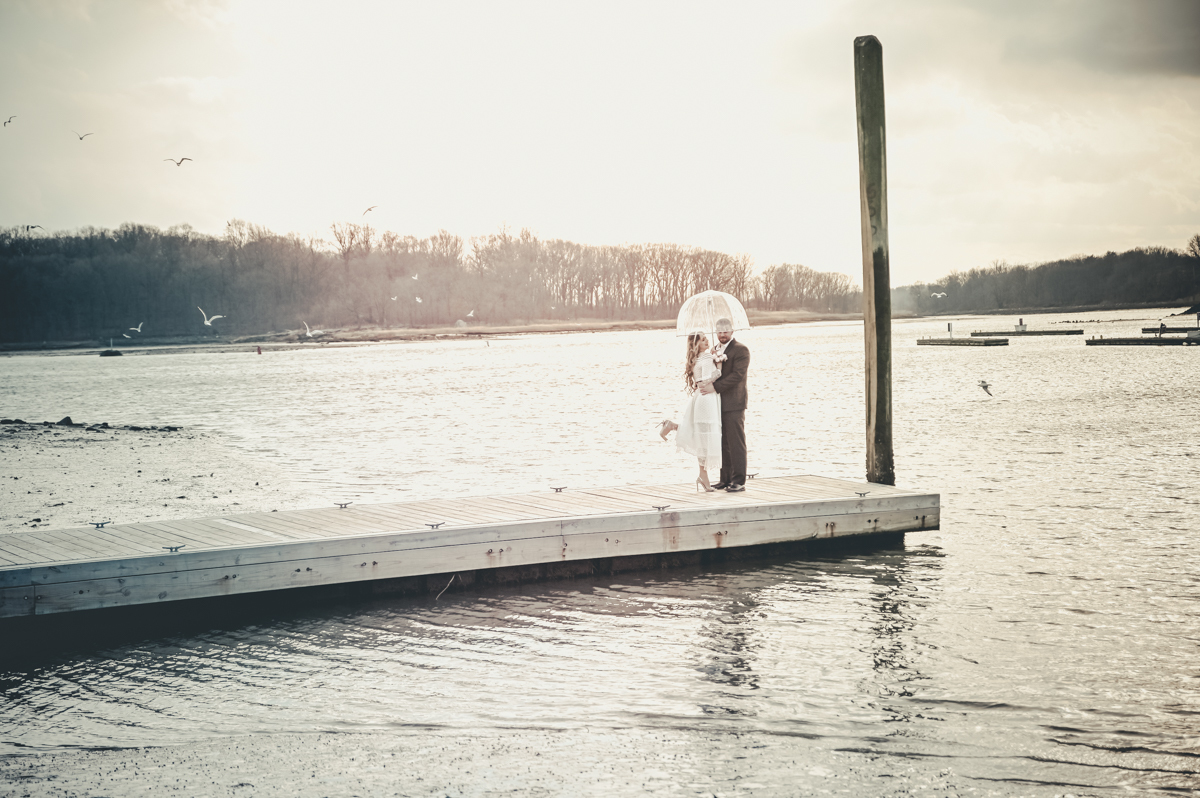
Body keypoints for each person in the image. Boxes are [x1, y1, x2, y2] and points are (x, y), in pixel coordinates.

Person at [659, 333, 723, 492]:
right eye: (703, 339)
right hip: (707, 400)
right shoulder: (707, 359)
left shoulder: (697, 360)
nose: (707, 340)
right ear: (697, 345)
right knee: (704, 438)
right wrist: (719, 362)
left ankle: (672, 426)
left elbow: (699, 380)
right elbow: (714, 376)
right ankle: (703, 476)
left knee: (701, 437)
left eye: (706, 338)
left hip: (700, 398)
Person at [699, 318, 749, 492]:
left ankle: (739, 481)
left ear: (732, 331)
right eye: (719, 332)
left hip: (734, 402)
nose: (722, 335)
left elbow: (737, 375)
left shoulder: (741, 350)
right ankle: (725, 479)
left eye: (725, 331)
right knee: (723, 443)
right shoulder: (714, 350)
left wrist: (715, 386)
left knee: (736, 442)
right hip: (717, 403)